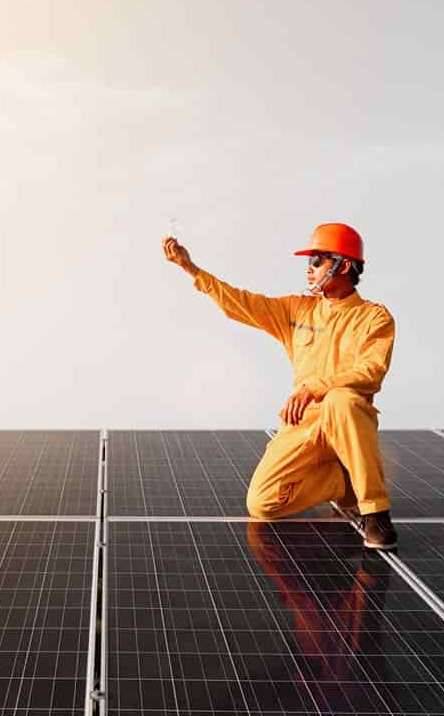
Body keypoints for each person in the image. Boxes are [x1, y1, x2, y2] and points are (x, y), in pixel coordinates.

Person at [162, 222, 398, 550]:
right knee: (262, 505)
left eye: (317, 261)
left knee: (340, 399)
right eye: (309, 262)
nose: (309, 269)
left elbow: (371, 371)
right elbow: (241, 303)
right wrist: (191, 269)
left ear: (343, 265)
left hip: (347, 422)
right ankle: (344, 481)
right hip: (304, 424)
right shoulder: (296, 310)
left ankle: (376, 513)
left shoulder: (375, 318)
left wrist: (315, 387)